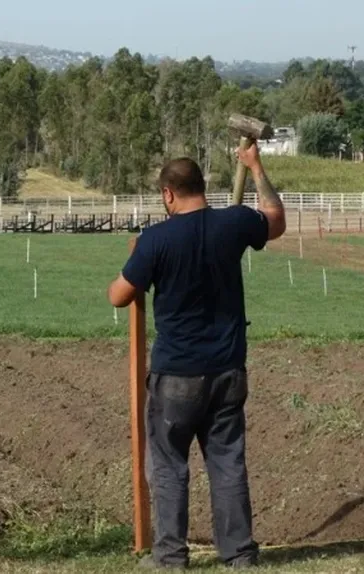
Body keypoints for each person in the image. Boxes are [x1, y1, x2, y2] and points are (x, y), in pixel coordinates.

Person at [107, 142, 286, 569]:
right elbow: (276, 220)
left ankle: (170, 556)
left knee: (168, 466)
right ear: (202, 186)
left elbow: (118, 297)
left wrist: (136, 262)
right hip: (227, 370)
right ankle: (239, 554)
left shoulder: (156, 240)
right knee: (227, 463)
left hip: (176, 375)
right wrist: (256, 167)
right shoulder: (235, 223)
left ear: (168, 194)